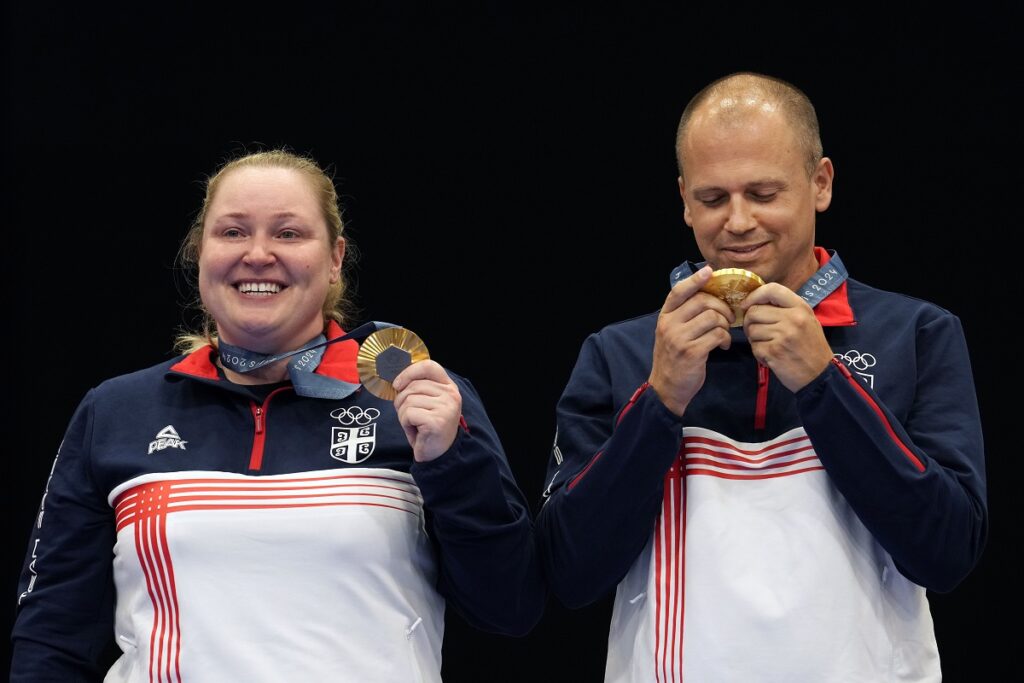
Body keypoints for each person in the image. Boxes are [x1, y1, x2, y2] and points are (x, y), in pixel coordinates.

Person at [11, 149, 545, 682]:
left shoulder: (421, 399)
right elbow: (52, 634)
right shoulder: (116, 410)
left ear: (335, 257)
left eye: (288, 234)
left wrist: (450, 463)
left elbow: (509, 609)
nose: (259, 254)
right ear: (200, 252)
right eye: (233, 232)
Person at [536, 72, 987, 682]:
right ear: (684, 201)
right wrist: (661, 400)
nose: (739, 223)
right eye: (714, 198)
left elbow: (948, 554)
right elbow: (570, 574)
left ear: (820, 183)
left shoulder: (917, 334)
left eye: (764, 193)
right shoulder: (621, 353)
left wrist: (825, 385)